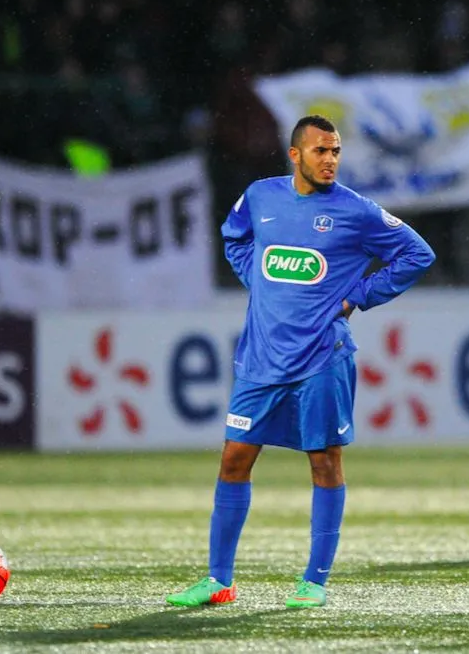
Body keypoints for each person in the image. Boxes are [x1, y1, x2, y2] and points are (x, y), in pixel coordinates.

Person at [166, 115, 435, 609]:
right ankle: (219, 581)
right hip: (261, 356)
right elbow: (234, 237)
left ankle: (314, 581)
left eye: (335, 151)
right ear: (295, 155)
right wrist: (258, 281)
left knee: (325, 462)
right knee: (234, 458)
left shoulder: (356, 211)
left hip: (321, 359)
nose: (330, 159)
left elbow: (417, 254)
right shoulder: (261, 196)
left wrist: (358, 297)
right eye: (320, 151)